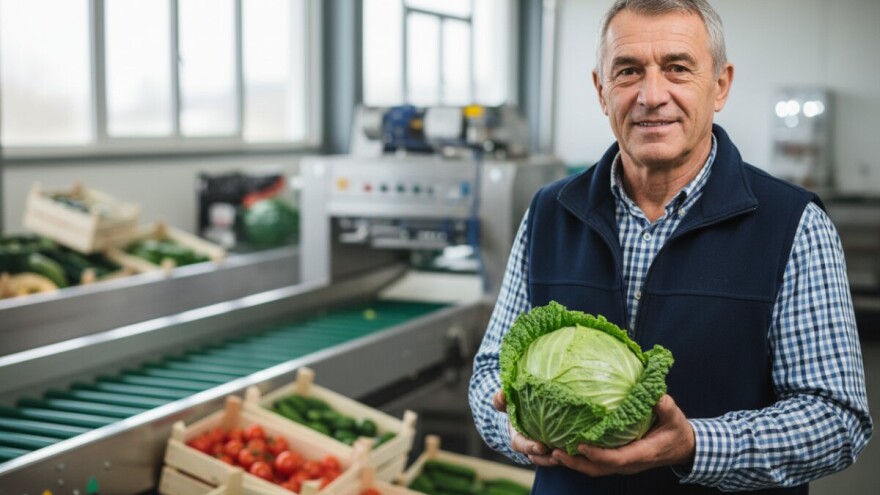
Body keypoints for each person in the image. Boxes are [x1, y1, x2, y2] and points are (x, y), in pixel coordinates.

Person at [468, 0, 873, 493]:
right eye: (628, 71)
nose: (651, 95)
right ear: (601, 90)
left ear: (719, 85)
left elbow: (836, 418)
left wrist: (696, 445)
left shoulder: (793, 224)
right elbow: (491, 371)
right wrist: (518, 430)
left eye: (677, 69)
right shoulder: (549, 211)